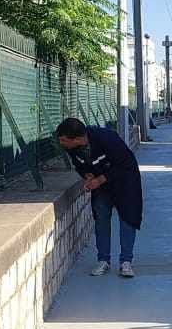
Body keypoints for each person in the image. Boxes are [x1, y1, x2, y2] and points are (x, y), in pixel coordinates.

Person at [56, 117, 143, 278]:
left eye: (63, 139)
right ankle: (103, 260)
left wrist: (99, 180)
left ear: (76, 138)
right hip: (101, 186)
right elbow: (79, 165)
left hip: (125, 182)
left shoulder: (107, 138)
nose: (61, 143)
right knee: (101, 217)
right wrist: (87, 176)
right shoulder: (72, 148)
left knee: (127, 219)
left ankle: (126, 262)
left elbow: (123, 165)